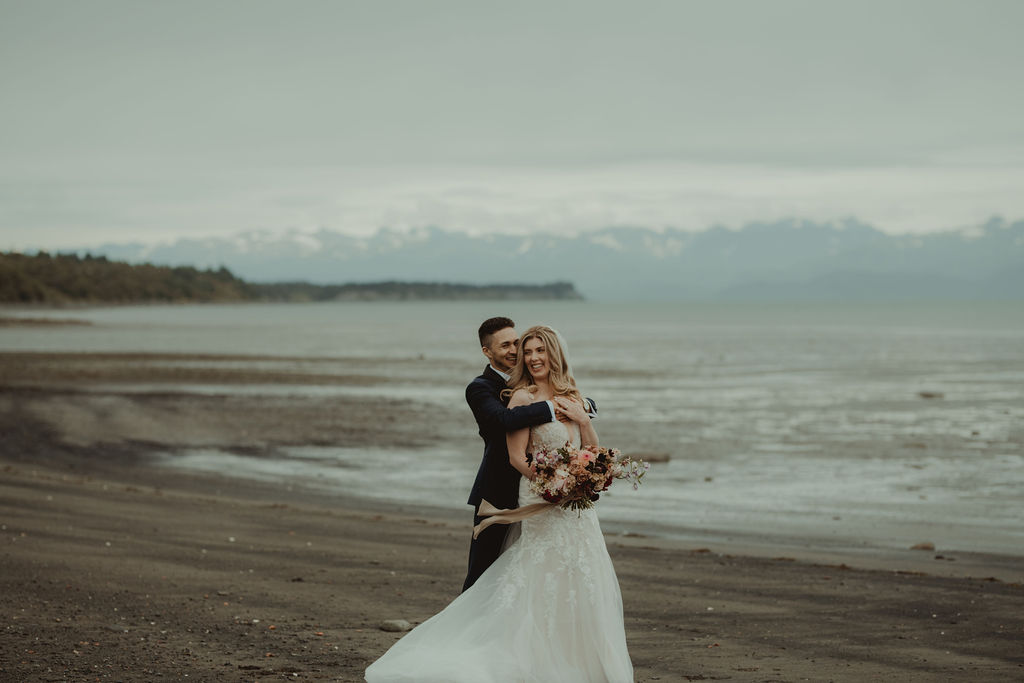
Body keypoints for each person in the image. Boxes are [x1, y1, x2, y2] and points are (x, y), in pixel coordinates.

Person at [364, 324, 633, 682]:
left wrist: (584, 422)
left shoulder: (575, 397)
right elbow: (511, 442)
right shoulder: (501, 392)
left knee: (582, 577)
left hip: (574, 506)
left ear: (554, 353)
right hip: (525, 494)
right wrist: (553, 481)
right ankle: (476, 638)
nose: (528, 355)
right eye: (523, 350)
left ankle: (582, 661)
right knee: (495, 576)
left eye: (533, 349)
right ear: (488, 351)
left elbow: (589, 447)